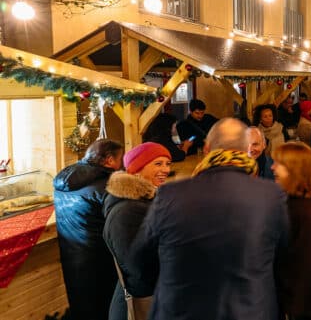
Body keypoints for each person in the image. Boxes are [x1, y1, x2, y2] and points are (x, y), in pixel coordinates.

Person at [130, 118, 290, 320]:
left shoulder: (170, 194)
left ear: (207, 149)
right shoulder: (270, 196)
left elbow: (140, 259)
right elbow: (283, 258)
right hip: (249, 309)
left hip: (182, 309)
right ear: (245, 150)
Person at [53, 139, 124, 320]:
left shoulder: (65, 179)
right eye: (120, 159)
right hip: (99, 257)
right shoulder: (107, 185)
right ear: (108, 160)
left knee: (81, 305)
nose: (121, 164)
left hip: (71, 254)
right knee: (104, 306)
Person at [102, 142, 171, 320]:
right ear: (137, 168)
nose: (165, 169)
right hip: (140, 303)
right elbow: (138, 267)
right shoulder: (128, 211)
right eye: (157, 164)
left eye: (167, 163)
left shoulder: (145, 201)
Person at [271, 142, 311, 320]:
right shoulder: (303, 202)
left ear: (295, 170)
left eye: (279, 163)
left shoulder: (299, 211)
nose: (272, 167)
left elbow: (304, 271)